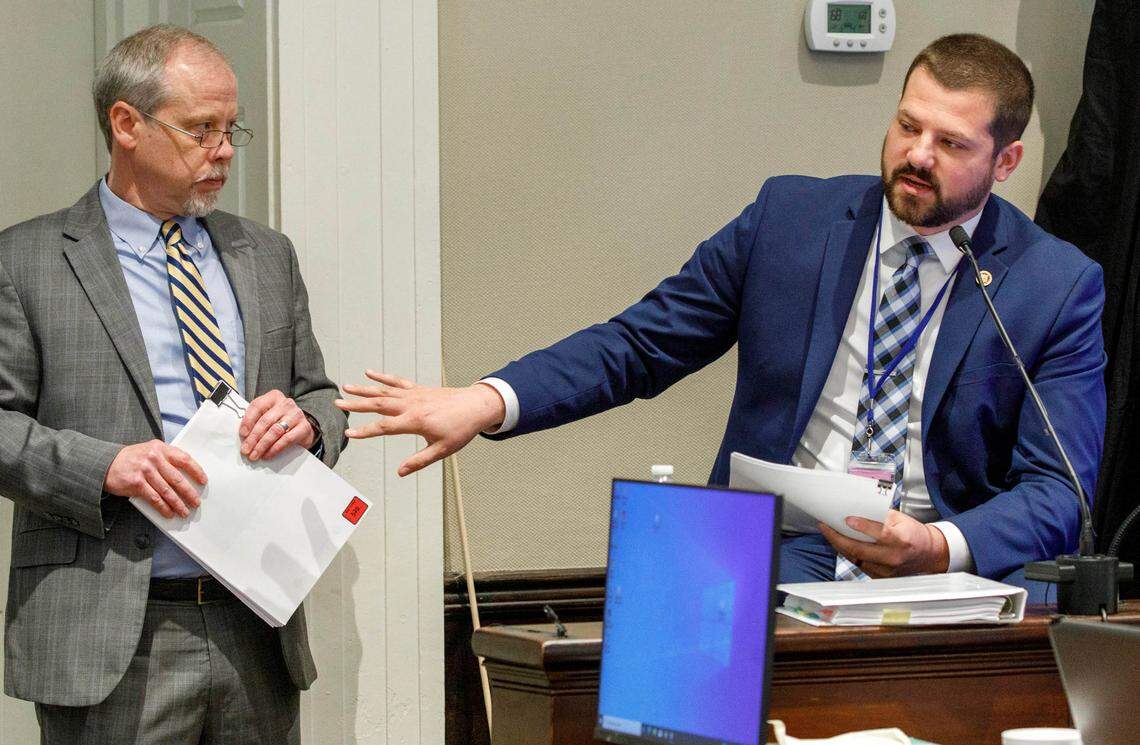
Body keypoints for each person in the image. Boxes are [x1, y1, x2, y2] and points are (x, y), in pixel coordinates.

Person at [337, 34, 1105, 596]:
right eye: (908, 125)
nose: (917, 155)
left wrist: (937, 545)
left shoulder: (1055, 286)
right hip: (771, 546)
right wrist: (486, 399)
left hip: (938, 568)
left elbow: (1058, 493)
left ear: (1005, 162)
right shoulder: (790, 220)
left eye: (951, 143)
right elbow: (638, 344)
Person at [0, 24, 345, 744]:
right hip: (111, 632)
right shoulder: (25, 260)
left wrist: (308, 424)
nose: (223, 151)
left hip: (256, 627)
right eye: (201, 130)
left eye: (231, 129)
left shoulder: (265, 256)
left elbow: (321, 394)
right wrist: (107, 467)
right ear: (126, 123)